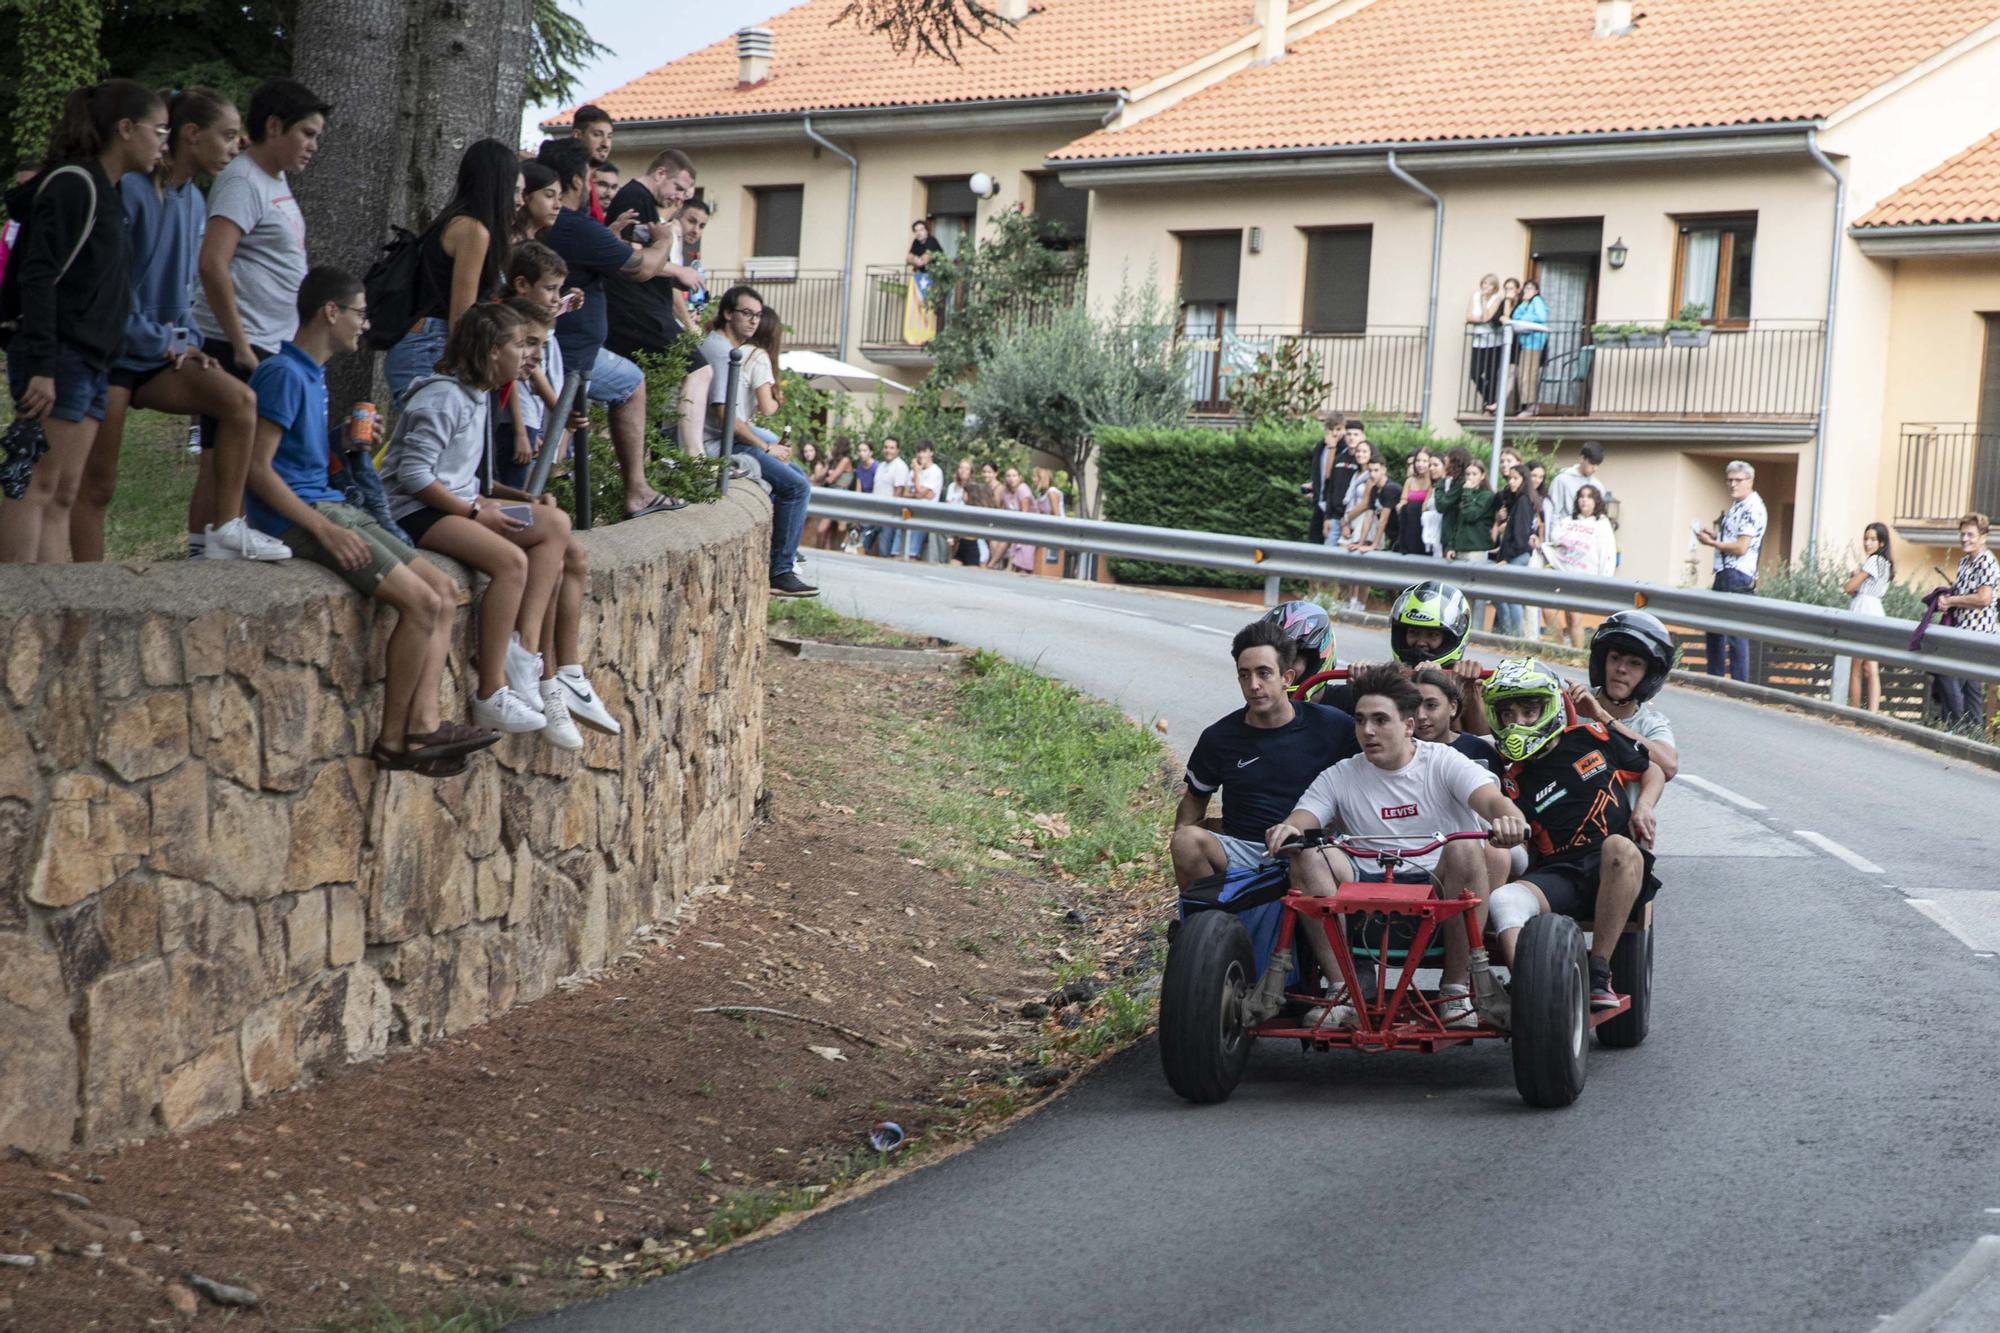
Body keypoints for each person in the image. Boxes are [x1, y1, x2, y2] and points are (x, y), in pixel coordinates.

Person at [241, 267, 495, 775]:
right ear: (330, 312)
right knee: (422, 602)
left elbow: (298, 458)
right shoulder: (283, 374)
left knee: (443, 591)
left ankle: (422, 726)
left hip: (333, 506)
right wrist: (323, 530)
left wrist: (343, 442)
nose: (365, 323)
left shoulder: (311, 375)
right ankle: (398, 738)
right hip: (306, 517)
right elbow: (256, 469)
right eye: (359, 312)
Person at [383, 302, 617, 748]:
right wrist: (476, 513)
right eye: (519, 345)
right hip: (416, 512)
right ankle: (492, 689)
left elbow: (470, 477)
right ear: (493, 351)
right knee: (510, 562)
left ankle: (525, 651)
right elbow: (414, 476)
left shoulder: (477, 395)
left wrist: (516, 500)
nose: (529, 357)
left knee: (554, 523)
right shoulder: (443, 396)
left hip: (459, 503)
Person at [72, 89, 285, 563]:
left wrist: (187, 342)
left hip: (159, 352)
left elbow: (182, 290)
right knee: (99, 482)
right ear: (191, 136)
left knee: (239, 402)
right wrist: (165, 339)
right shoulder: (132, 189)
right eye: (228, 136)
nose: (236, 147)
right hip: (112, 354)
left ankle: (226, 530)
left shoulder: (194, 201)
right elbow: (115, 293)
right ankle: (88, 586)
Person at [1265, 663, 1527, 1030]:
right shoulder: (1341, 774)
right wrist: (1287, 830)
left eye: (1380, 720)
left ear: (1407, 725)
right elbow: (1303, 818)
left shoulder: (1443, 761)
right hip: (1363, 898)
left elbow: (1490, 799)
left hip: (1437, 896)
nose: (1367, 731)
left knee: (1466, 848)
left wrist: (1508, 818)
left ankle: (1455, 992)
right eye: (1359, 720)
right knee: (1305, 855)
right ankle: (1341, 990)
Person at [0, 81, 160, 565]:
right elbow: (40, 277)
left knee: (65, 494)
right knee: (34, 484)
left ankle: (55, 613)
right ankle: (17, 611)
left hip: (92, 361)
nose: (163, 143)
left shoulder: (109, 191)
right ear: (125, 129)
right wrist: (42, 366)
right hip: (59, 358)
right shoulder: (76, 184)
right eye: (159, 130)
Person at [188, 77, 327, 557]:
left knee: (242, 455)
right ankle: (201, 553)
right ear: (274, 126)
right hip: (238, 343)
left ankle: (222, 546)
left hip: (270, 339)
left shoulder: (274, 177)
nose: (313, 146)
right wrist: (241, 343)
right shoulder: (243, 180)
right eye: (307, 134)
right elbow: (212, 262)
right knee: (218, 455)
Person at [1483, 657, 1658, 1011]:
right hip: (1560, 872)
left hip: (1613, 865)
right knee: (1504, 900)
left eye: (1529, 711)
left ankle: (1598, 971)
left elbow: (1652, 768)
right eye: (1508, 714)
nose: (1518, 722)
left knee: (1619, 847)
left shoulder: (1591, 738)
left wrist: (1645, 807)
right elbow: (1526, 847)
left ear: (1549, 708)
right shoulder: (1511, 780)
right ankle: (1534, 990)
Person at [536, 138, 681, 520]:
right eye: (590, 178)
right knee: (631, 384)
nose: (593, 188)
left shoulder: (560, 226)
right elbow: (644, 267)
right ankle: (636, 492)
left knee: (546, 443)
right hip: (566, 356)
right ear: (576, 181)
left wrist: (608, 237)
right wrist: (666, 240)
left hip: (555, 351)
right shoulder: (573, 225)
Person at [1172, 618, 1359, 893]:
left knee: (1315, 857)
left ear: (1287, 677)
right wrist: (1180, 849)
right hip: (1244, 852)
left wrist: (1373, 687)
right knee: (1185, 841)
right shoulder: (1219, 737)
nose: (1254, 684)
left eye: (1264, 673)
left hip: (1314, 849)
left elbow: (1390, 759)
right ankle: (1211, 922)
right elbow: (1193, 801)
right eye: (1244, 675)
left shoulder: (1334, 725)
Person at [698, 284, 817, 597]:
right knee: (797, 487)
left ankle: (779, 549)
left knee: (792, 475)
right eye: (746, 314)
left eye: (757, 316)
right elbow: (726, 418)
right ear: (727, 313)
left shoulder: (723, 347)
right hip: (717, 445)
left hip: (719, 437)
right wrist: (765, 448)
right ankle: (780, 570)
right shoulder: (723, 353)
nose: (752, 321)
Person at [382, 138, 520, 404]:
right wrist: (473, 373)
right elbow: (462, 316)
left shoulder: (453, 219)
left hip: (426, 343)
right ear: (498, 185)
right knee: (428, 441)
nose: (517, 200)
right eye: (513, 189)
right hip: (432, 346)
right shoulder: (473, 230)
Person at [1571, 609, 1678, 849]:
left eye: (1634, 664)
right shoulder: (1571, 706)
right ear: (1602, 661)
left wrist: (1602, 717)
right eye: (1615, 658)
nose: (1621, 669)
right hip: (1565, 838)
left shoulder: (1651, 725)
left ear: (1649, 675)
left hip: (1620, 844)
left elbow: (1668, 765)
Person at [604, 149, 703, 362]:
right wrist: (678, 270)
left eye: (684, 193)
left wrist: (673, 277)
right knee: (699, 370)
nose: (678, 198)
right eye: (678, 188)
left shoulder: (644, 201)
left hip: (646, 311)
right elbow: (632, 255)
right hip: (635, 313)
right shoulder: (634, 198)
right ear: (660, 174)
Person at [498, 242, 570, 492]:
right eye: (550, 289)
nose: (556, 298)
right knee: (515, 493)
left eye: (559, 290)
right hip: (515, 421)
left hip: (529, 420)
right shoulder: (513, 322)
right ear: (521, 285)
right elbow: (514, 383)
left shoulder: (531, 320)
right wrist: (520, 431)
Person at [1695, 459, 1765, 680]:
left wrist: (1713, 544)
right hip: (1726, 572)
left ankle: (1738, 683)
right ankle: (1715, 679)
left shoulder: (1752, 507)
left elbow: (1742, 547)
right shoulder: (1739, 505)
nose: (1732, 484)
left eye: (1738, 480)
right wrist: (1715, 536)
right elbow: (1735, 539)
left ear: (1750, 481)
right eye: (1729, 480)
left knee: (1734, 633)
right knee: (1715, 627)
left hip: (1737, 574)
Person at [1933, 512, 1998, 731]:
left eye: (1970, 534)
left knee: (1946, 672)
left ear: (1983, 536)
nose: (1965, 539)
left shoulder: (1987, 562)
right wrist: (1946, 600)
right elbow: (1962, 594)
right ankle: (1973, 732)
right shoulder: (1964, 562)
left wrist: (1951, 601)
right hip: (1961, 630)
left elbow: (1983, 598)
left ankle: (1957, 725)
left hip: (1978, 634)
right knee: (1971, 686)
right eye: (1962, 534)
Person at [1542, 483, 1618, 647]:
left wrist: (1604, 580)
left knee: (1574, 617)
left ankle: (1576, 653)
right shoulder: (1568, 521)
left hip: (1583, 577)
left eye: (1589, 497)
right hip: (1561, 573)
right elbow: (1555, 540)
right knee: (1548, 612)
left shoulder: (1602, 524)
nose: (1584, 500)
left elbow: (1608, 554)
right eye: (1581, 497)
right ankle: (1560, 647)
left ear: (1596, 501)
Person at [1438, 456, 1498, 627]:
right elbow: (1458, 522)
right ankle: (1460, 627)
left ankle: (1475, 627)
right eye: (1468, 474)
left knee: (1473, 592)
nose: (1470, 477)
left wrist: (1467, 492)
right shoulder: (1466, 494)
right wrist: (1451, 545)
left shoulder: (1487, 496)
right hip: (1460, 548)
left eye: (1474, 474)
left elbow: (1470, 514)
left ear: (1482, 476)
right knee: (1459, 593)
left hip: (1475, 549)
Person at [1842, 521, 1894, 713]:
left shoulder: (1873, 561)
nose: (1867, 543)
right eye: (1866, 539)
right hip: (1876, 609)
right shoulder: (1885, 563)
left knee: (1856, 667)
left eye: (1873, 539)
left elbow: (1848, 587)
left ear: (1881, 543)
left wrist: (1855, 575)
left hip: (1864, 609)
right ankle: (1872, 713)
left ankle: (1853, 712)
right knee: (1872, 668)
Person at [1488, 461, 1540, 638]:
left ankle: (1513, 635)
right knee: (1503, 596)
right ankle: (1508, 633)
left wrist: (1507, 558)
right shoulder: (1520, 500)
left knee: (1508, 597)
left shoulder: (1524, 501)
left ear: (1524, 480)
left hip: (1517, 555)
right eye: (1510, 478)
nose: (1511, 482)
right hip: (1517, 554)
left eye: (1515, 478)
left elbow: (1520, 535)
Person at [1261, 599, 1336, 699]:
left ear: (1313, 664)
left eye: (1290, 657)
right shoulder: (1256, 705)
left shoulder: (1344, 700)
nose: (1278, 665)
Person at [1306, 416, 1363, 544]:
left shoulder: (1345, 449)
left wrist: (1332, 448)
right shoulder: (1321, 446)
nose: (1335, 433)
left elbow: (1330, 475)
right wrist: (1314, 487)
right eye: (1331, 429)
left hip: (1345, 512)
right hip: (1323, 504)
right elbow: (1325, 478)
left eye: (1338, 429)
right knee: (1315, 542)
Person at [1543, 441, 1607, 536]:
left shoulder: (1598, 486)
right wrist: (1554, 538)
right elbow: (1553, 512)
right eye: (1592, 463)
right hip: (1564, 535)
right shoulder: (1562, 480)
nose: (1595, 468)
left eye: (1597, 464)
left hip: (1589, 539)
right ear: (1582, 459)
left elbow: (1599, 515)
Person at [1467, 274, 1505, 412]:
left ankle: (1490, 404)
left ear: (1495, 287)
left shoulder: (1497, 299)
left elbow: (1487, 317)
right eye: (1483, 283)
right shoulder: (1475, 296)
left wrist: (1484, 302)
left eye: (1488, 284)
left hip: (1493, 342)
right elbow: (1468, 316)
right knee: (1475, 373)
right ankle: (1491, 400)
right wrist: (1480, 318)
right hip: (1478, 341)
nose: (1485, 286)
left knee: (1491, 374)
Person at [866, 436, 909, 556]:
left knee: (884, 549)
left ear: (897, 450)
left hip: (888, 515)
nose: (888, 450)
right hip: (875, 512)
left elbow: (899, 490)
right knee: (864, 545)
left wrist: (891, 512)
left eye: (892, 448)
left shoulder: (900, 466)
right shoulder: (881, 466)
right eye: (886, 447)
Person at [570, 105, 613, 222]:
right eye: (597, 134)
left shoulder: (589, 180)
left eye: (609, 137)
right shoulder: (567, 179)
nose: (605, 144)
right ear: (577, 136)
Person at [1512, 279, 1549, 416]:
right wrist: (1523, 304)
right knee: (1522, 374)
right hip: (1525, 343)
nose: (1526, 290)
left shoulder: (1538, 301)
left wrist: (1525, 318)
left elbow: (1541, 316)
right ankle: (1527, 404)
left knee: (1528, 374)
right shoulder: (1527, 304)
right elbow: (1515, 317)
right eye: (1525, 288)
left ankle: (1531, 406)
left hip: (1535, 343)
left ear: (1536, 291)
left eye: (1530, 288)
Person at [905, 219, 945, 344]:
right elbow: (908, 258)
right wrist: (916, 260)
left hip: (935, 278)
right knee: (921, 307)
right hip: (923, 278)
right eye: (916, 231)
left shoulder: (932, 241)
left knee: (931, 308)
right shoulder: (916, 243)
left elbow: (926, 259)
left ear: (927, 230)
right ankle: (920, 336)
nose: (919, 233)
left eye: (921, 230)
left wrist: (917, 260)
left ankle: (932, 336)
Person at [904, 443, 944, 561]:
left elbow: (921, 493)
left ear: (931, 453)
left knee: (911, 554)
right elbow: (905, 494)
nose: (921, 455)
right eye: (919, 452)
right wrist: (918, 493)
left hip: (923, 514)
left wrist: (917, 473)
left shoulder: (935, 471)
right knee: (897, 551)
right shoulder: (911, 471)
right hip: (907, 513)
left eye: (924, 451)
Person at [514, 160, 560, 243]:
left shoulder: (542, 239)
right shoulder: (511, 241)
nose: (558, 205)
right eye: (549, 195)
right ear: (525, 196)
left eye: (560, 198)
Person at [1001, 466, 1036, 573]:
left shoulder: (1023, 489)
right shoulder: (1005, 492)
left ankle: (1009, 567)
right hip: (1014, 524)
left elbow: (1024, 515)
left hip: (1029, 524)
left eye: (1014, 476)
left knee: (1018, 538)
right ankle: (994, 564)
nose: (1011, 478)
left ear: (1020, 477)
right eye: (1008, 476)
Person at [1033, 466, 1066, 574]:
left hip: (1058, 528)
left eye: (1035, 477)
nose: (1033, 479)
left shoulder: (1052, 492)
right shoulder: (1040, 494)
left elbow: (1056, 514)